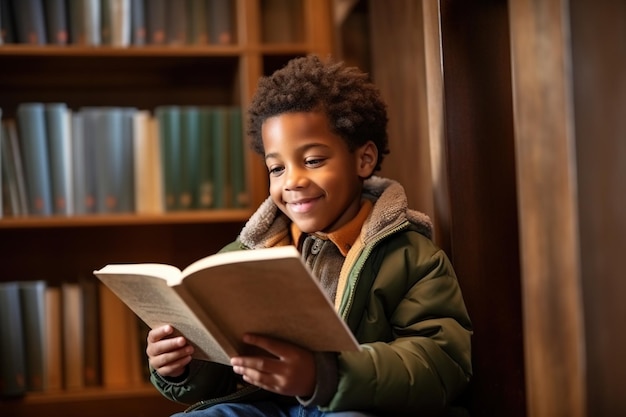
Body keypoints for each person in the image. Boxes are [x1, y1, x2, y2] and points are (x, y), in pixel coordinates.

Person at [146, 54, 473, 417]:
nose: (292, 181)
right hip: (268, 406)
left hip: (354, 403)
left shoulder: (412, 255)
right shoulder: (244, 255)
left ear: (364, 160)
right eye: (276, 168)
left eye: (314, 160)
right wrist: (183, 365)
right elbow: (230, 371)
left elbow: (442, 363)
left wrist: (325, 375)